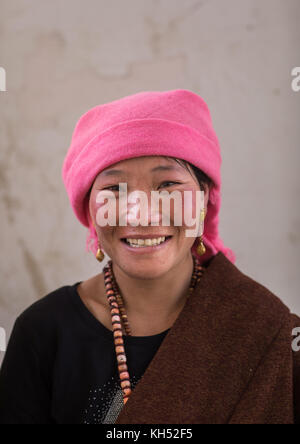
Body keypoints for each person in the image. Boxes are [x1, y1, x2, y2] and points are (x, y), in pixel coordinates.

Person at [0, 89, 299, 424]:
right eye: (114, 189)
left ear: (205, 201)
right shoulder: (42, 333)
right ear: (88, 210)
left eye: (168, 184)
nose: (141, 215)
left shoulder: (267, 331)